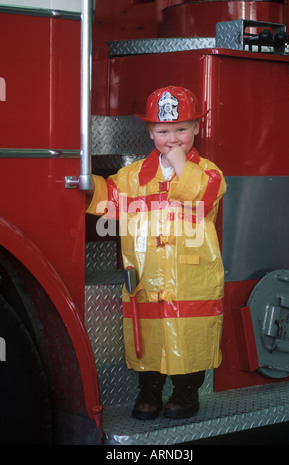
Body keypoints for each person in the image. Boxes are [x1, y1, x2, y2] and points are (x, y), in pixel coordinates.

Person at [86, 86, 226, 420]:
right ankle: (148, 392)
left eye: (182, 129)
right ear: (150, 133)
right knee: (147, 338)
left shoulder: (209, 173)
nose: (173, 138)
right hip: (147, 276)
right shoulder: (133, 176)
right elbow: (110, 198)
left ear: (196, 129)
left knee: (190, 338)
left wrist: (179, 163)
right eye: (163, 131)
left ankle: (186, 393)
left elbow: (201, 194)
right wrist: (87, 183)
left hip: (191, 278)